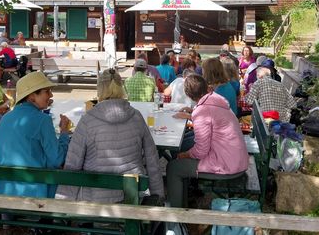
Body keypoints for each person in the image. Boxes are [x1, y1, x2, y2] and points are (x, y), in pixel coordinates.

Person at [56, 69, 163, 203]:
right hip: (132, 197)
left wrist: (64, 202)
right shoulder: (136, 116)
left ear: (100, 89)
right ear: (121, 88)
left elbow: (73, 165)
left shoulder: (87, 121)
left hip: (96, 201)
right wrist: (158, 195)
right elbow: (152, 160)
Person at [166, 75, 249, 208]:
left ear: (189, 95)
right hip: (236, 158)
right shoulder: (215, 99)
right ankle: (187, 193)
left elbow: (201, 150)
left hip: (226, 164)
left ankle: (176, 213)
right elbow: (210, 118)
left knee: (173, 167)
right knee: (183, 144)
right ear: (206, 87)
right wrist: (193, 112)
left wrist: (186, 155)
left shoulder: (202, 111)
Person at [0, 71, 71, 198]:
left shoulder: (5, 117)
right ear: (32, 96)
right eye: (47, 91)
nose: (51, 95)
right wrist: (64, 132)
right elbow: (57, 159)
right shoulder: (43, 120)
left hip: (4, 191)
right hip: (33, 195)